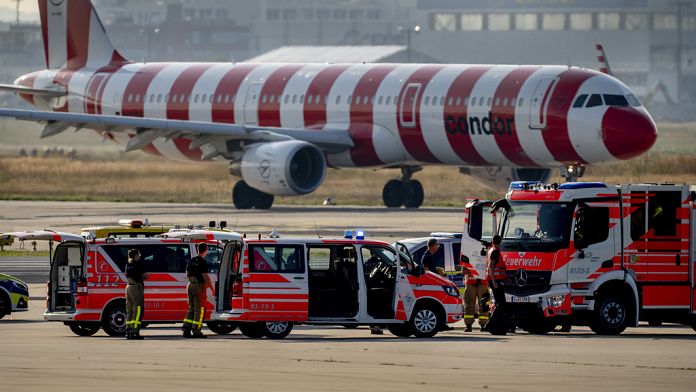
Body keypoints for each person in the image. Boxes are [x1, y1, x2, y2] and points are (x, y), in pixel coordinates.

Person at [182, 243, 211, 338]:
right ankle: (196, 330)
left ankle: (186, 329)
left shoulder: (191, 261)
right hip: (198, 286)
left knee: (191, 308)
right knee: (199, 309)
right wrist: (212, 289)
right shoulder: (202, 262)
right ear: (205, 250)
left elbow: (187, 275)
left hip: (190, 285)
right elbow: (206, 277)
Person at [486, 235, 508, 333]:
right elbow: (491, 266)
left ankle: (496, 325)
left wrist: (506, 278)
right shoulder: (495, 251)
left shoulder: (491, 249)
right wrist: (494, 281)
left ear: (492, 241)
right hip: (495, 280)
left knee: (499, 303)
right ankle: (491, 324)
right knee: (501, 303)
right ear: (501, 242)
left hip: (496, 280)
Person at [125, 249, 148, 340]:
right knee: (138, 310)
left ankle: (128, 331)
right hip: (136, 288)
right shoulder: (139, 264)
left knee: (129, 310)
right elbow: (146, 275)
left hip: (128, 287)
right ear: (135, 256)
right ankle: (135, 332)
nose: (139, 256)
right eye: (138, 255)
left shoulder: (128, 265)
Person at [462, 263, 488, 332]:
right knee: (469, 305)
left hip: (482, 283)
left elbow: (489, 269)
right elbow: (463, 271)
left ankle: (484, 325)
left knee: (484, 305)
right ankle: (468, 325)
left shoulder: (485, 256)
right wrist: (473, 270)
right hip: (471, 283)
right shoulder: (468, 256)